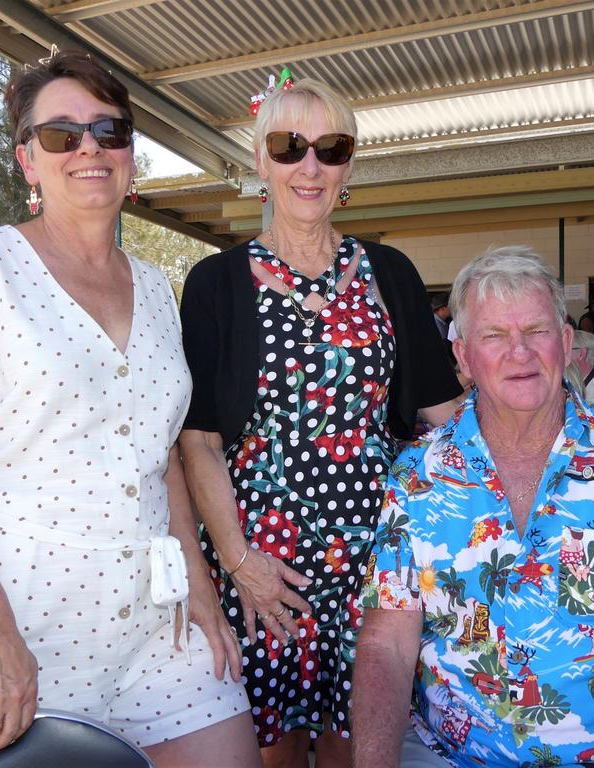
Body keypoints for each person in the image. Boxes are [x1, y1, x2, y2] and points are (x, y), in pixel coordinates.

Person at [0, 51, 260, 767]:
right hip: (9, 630)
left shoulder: (155, 288)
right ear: (28, 161)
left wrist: (199, 584)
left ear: (129, 157)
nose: (88, 147)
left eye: (108, 131)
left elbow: (160, 459)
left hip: (153, 632)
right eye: (61, 134)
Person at [352, 245, 594, 768]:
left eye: (536, 331)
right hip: (449, 757)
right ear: (463, 356)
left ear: (564, 343)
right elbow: (387, 650)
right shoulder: (417, 475)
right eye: (494, 336)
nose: (519, 352)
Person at [178, 78, 462, 767]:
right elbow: (199, 439)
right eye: (289, 146)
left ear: (349, 167)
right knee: (271, 752)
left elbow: (446, 416)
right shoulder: (217, 283)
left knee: (359, 746)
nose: (310, 166)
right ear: (259, 162)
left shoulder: (389, 273)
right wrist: (240, 563)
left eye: (331, 148)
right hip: (264, 572)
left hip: (373, 564)